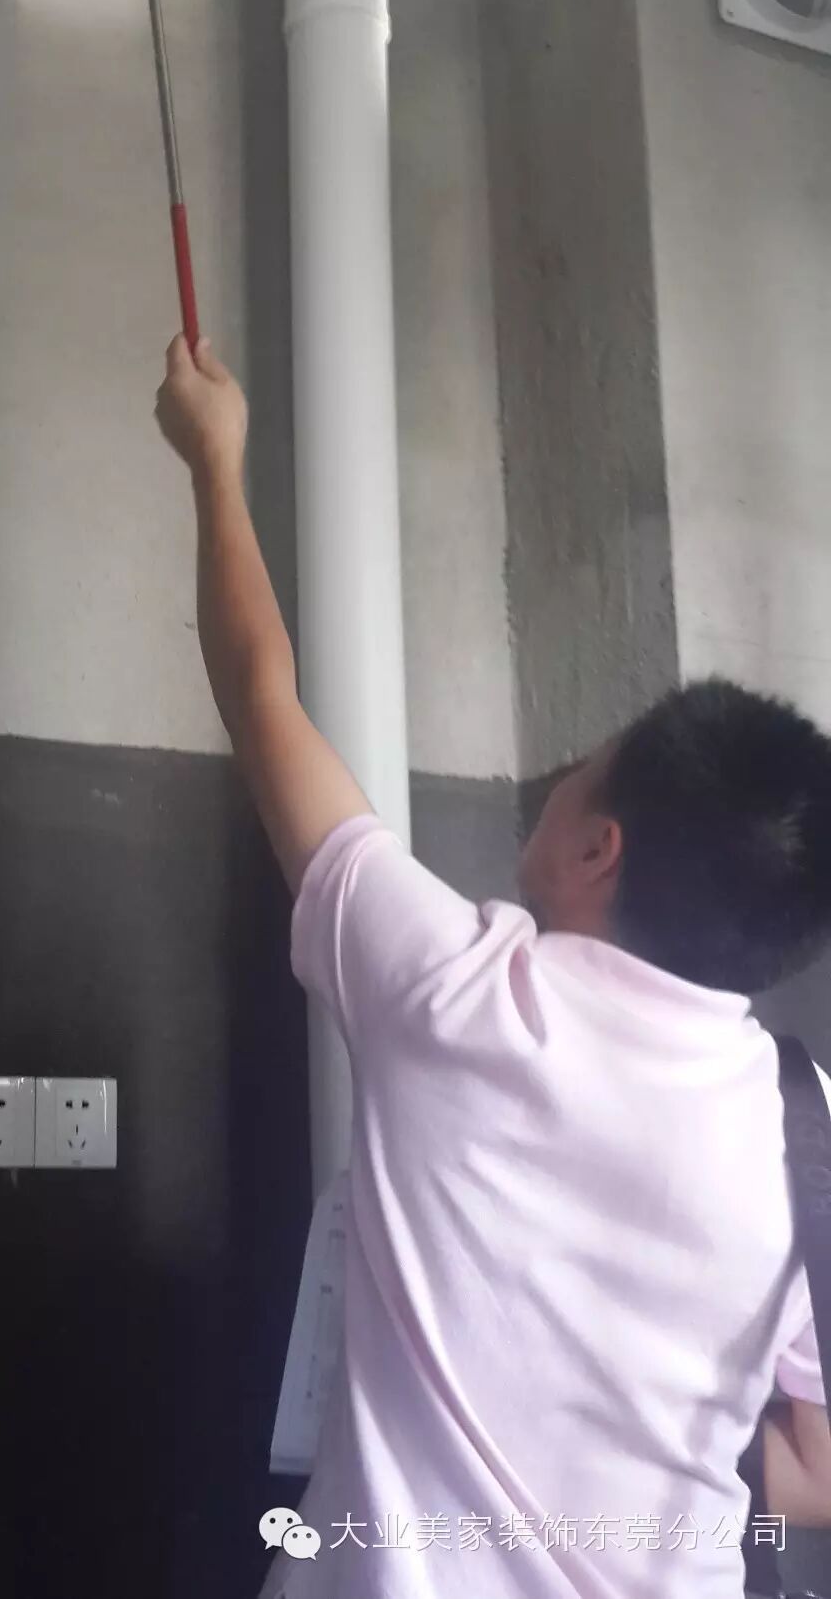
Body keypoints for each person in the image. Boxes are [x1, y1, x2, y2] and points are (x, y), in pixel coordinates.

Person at [155, 331, 831, 1597]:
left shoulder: (457, 993)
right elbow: (817, 1469)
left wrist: (213, 459)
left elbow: (260, 694)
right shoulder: (804, 1116)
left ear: (594, 847)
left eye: (583, 767)